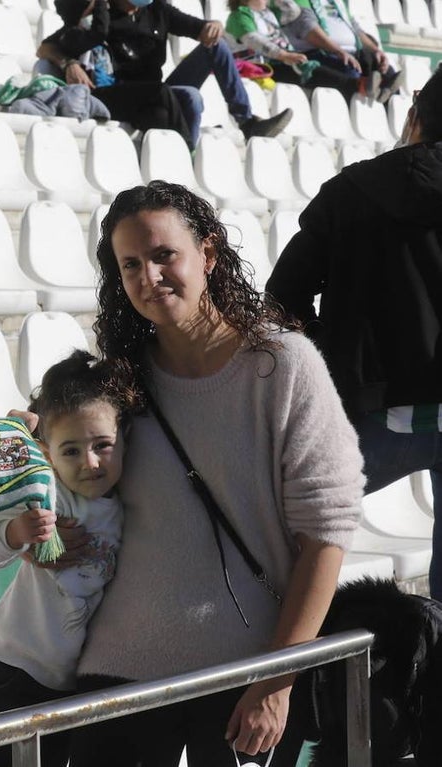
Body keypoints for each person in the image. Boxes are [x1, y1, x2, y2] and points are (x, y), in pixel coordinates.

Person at [65, 181, 364, 766]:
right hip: (119, 668)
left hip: (244, 675)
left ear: (208, 252)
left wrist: (276, 679)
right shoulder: (117, 380)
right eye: (130, 265)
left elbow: (326, 535)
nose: (148, 277)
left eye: (162, 255)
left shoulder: (283, 366)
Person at [266, 69, 442, 598]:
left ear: (414, 117)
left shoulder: (349, 191)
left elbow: (281, 298)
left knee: (275, 523)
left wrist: (339, 360)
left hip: (370, 417)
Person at [0, 350, 137, 767]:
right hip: (15, 669)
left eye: (103, 445)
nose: (90, 462)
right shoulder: (47, 498)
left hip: (71, 682)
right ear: (47, 453)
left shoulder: (131, 504)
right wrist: (17, 533)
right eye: (71, 451)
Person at [41, 0, 293, 148]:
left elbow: (200, 29)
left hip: (160, 89)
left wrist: (213, 27)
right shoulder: (102, 16)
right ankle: (187, 152)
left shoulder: (157, 10)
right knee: (190, 98)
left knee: (217, 45)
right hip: (124, 92)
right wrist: (67, 62)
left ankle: (247, 122)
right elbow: (46, 47)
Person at [224, 0, 360, 100]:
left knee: (327, 65)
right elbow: (255, 41)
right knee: (309, 69)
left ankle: (364, 85)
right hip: (264, 67)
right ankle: (355, 86)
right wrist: (284, 55)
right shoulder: (238, 16)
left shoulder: (269, 13)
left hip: (282, 62)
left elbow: (293, 11)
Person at [281, 0, 403, 103]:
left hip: (352, 52)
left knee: (385, 69)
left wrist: (376, 50)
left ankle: (385, 94)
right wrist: (338, 51)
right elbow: (307, 28)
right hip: (320, 52)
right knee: (351, 71)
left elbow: (355, 28)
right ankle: (371, 93)